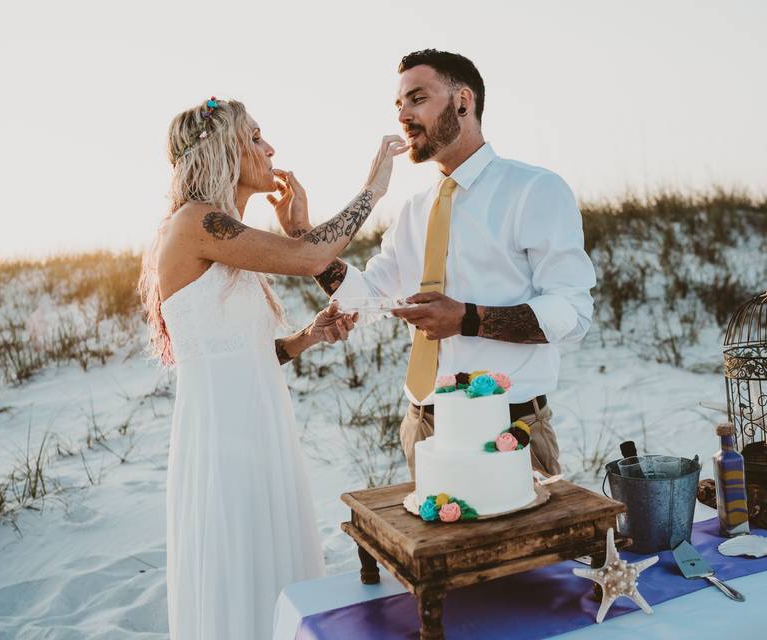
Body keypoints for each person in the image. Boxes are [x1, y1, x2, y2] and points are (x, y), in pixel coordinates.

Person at [137, 96, 407, 640]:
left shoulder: (222, 231)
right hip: (223, 434)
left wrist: (309, 335)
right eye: (256, 137)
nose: (270, 148)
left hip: (259, 423)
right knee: (241, 557)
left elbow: (249, 351)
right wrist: (375, 187)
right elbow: (309, 261)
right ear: (223, 150)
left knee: (269, 556)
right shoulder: (195, 222)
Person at [274, 51, 596, 478]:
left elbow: (572, 314)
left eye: (417, 99)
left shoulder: (534, 190)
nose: (404, 115)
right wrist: (304, 237)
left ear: (463, 102)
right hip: (421, 428)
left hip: (507, 426)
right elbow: (367, 300)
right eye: (399, 106)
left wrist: (466, 319)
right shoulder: (413, 211)